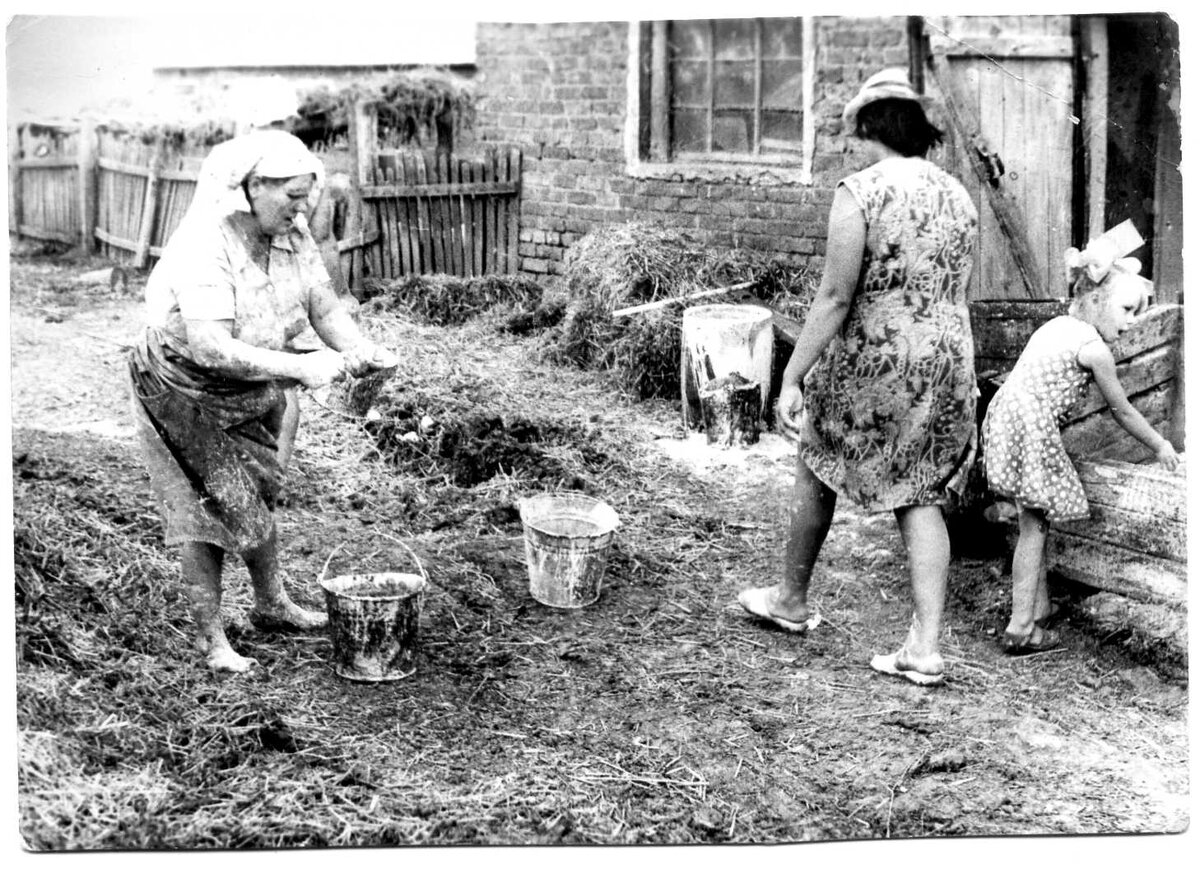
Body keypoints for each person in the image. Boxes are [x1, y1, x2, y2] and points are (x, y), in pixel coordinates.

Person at [736, 68, 979, 687]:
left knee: (817, 458)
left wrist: (791, 375)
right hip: (947, 358)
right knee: (921, 490)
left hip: (879, 356)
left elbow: (836, 297)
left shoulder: (862, 191)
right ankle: (924, 647)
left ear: (871, 127)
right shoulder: (958, 195)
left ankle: (790, 600)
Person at [129, 130, 398, 673]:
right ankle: (212, 642)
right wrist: (301, 366)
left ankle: (271, 605)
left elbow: (323, 306)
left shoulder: (291, 234)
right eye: (291, 194)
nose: (303, 207)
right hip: (183, 388)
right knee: (207, 509)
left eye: (307, 194)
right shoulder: (208, 241)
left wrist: (360, 349)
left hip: (251, 381)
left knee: (256, 491)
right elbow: (209, 346)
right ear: (249, 187)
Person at [981, 240, 1180, 655]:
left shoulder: (1055, 327)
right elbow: (1123, 411)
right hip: (1031, 426)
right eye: (1126, 311)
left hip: (1006, 418)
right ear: (1092, 299)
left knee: (1031, 519)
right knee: (1035, 524)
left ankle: (1037, 607)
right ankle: (1021, 627)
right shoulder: (1094, 348)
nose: (1131, 324)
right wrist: (1161, 444)